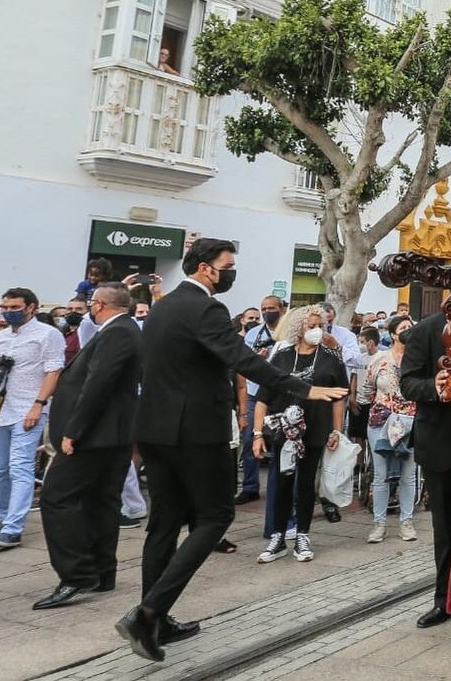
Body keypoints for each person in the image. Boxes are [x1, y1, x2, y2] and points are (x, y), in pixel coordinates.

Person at [116, 238, 343, 662]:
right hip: (195, 431)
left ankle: (157, 618)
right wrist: (305, 388)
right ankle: (147, 614)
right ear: (206, 269)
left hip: (154, 428)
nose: (230, 272)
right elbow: (245, 360)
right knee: (216, 516)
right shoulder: (206, 308)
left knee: (163, 524)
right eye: (228, 265)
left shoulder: (162, 305)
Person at [35, 284, 144, 610]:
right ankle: (100, 570)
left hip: (96, 436)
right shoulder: (121, 330)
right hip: (109, 435)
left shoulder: (119, 332)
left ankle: (76, 573)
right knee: (100, 501)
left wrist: (74, 430)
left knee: (56, 497)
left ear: (98, 305)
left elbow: (99, 383)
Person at [399, 309, 451, 632]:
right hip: (439, 443)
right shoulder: (425, 330)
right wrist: (435, 386)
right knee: (445, 529)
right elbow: (408, 383)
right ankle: (445, 600)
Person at [253, 307, 347, 564]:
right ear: (298, 328)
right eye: (311, 326)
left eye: (320, 325)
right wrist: (257, 432)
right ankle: (279, 535)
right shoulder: (281, 358)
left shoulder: (330, 359)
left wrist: (337, 429)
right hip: (284, 431)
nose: (317, 331)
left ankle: (303, 533)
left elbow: (339, 396)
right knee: (282, 483)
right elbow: (263, 397)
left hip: (316, 428)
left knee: (306, 483)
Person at [0, 287, 65, 549]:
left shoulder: (47, 335)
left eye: (15, 307)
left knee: (20, 466)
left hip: (27, 408)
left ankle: (13, 527)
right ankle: (4, 517)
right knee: (1, 469)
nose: (9, 312)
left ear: (31, 307)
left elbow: (54, 371)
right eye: (6, 307)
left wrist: (39, 404)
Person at [359, 314, 418, 544]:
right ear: (393, 334)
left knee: (408, 474)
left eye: (410, 327)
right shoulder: (380, 360)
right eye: (403, 327)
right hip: (380, 423)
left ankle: (406, 521)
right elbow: (366, 391)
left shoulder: (418, 360)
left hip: (410, 422)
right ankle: (379, 523)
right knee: (381, 475)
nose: (407, 330)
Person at [236, 295, 286, 506]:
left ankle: (280, 487)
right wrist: (258, 358)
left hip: (280, 395)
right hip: (255, 393)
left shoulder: (288, 332)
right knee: (249, 440)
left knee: (281, 442)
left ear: (281, 309)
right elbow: (244, 364)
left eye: (271, 308)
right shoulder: (254, 333)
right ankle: (250, 487)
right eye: (264, 308)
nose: (267, 312)